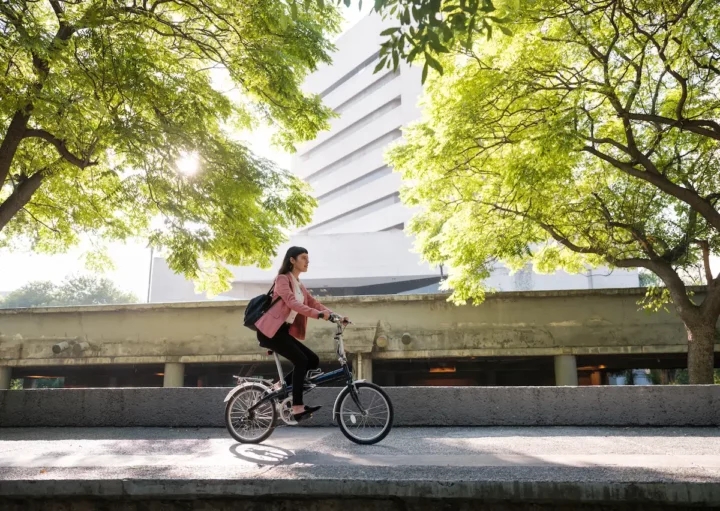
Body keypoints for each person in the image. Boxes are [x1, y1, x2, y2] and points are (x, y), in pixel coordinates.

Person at [254, 246, 348, 422]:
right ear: (292, 260)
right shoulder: (282, 279)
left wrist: (336, 316)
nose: (307, 261)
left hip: (281, 332)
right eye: (303, 258)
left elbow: (314, 303)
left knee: (312, 360)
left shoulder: (299, 285)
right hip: (269, 332)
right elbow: (291, 303)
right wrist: (318, 315)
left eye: (308, 258)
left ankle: (279, 386)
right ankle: (297, 407)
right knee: (301, 360)